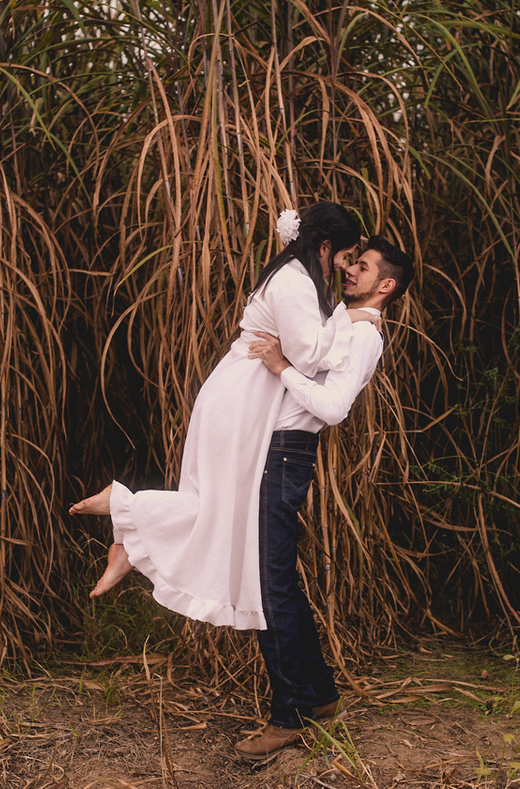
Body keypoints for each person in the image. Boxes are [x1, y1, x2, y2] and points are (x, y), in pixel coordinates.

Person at [68, 202, 377, 631]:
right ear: (325, 247)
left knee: (218, 507)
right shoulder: (292, 283)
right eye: (344, 257)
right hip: (242, 399)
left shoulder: (296, 278)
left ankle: (128, 527)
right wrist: (352, 316)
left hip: (246, 396)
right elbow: (307, 357)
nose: (343, 269)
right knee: (218, 506)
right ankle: (127, 512)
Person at [233, 235, 415, 758]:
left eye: (361, 267)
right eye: (350, 262)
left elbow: (334, 407)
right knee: (278, 583)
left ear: (385, 285)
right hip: (276, 451)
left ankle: (288, 715)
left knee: (270, 590)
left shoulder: (365, 338)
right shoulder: (346, 322)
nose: (349, 272)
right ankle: (321, 697)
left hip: (288, 453)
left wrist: (279, 367)